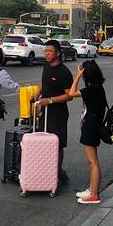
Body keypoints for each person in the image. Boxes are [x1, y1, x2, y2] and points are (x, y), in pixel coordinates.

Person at [68, 60, 107, 205]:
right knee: (91, 162)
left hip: (91, 127)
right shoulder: (97, 87)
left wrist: (77, 76)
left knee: (93, 162)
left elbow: (71, 93)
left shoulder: (92, 89)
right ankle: (91, 189)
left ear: (86, 74)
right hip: (92, 126)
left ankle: (94, 195)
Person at [35, 39, 74, 183]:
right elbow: (43, 81)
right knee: (42, 141)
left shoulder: (64, 72)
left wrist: (50, 100)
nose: (47, 54)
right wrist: (36, 96)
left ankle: (57, 173)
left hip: (58, 113)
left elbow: (69, 95)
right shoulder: (46, 66)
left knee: (57, 143)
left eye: (50, 51)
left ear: (57, 53)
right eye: (45, 51)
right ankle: (46, 171)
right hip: (45, 111)